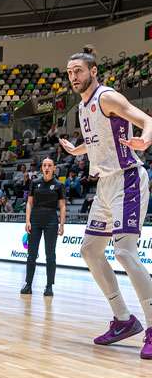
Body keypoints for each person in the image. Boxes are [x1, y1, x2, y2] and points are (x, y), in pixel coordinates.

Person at [59, 46, 152, 359]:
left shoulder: (106, 97)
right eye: (70, 73)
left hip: (127, 179)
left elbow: (145, 119)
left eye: (79, 71)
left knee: (125, 252)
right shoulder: (84, 107)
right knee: (90, 250)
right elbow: (98, 140)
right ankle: (124, 320)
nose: (73, 77)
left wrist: (146, 138)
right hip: (104, 185)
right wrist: (77, 151)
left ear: (93, 71)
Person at [21, 158, 66, 297]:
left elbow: (63, 206)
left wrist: (62, 224)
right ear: (41, 168)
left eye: (49, 165)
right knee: (31, 255)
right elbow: (29, 203)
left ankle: (49, 286)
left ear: (54, 168)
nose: (47, 167)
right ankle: (28, 284)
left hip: (51, 221)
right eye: (44, 165)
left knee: (50, 255)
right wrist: (27, 220)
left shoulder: (59, 185)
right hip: (35, 220)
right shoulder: (35, 183)